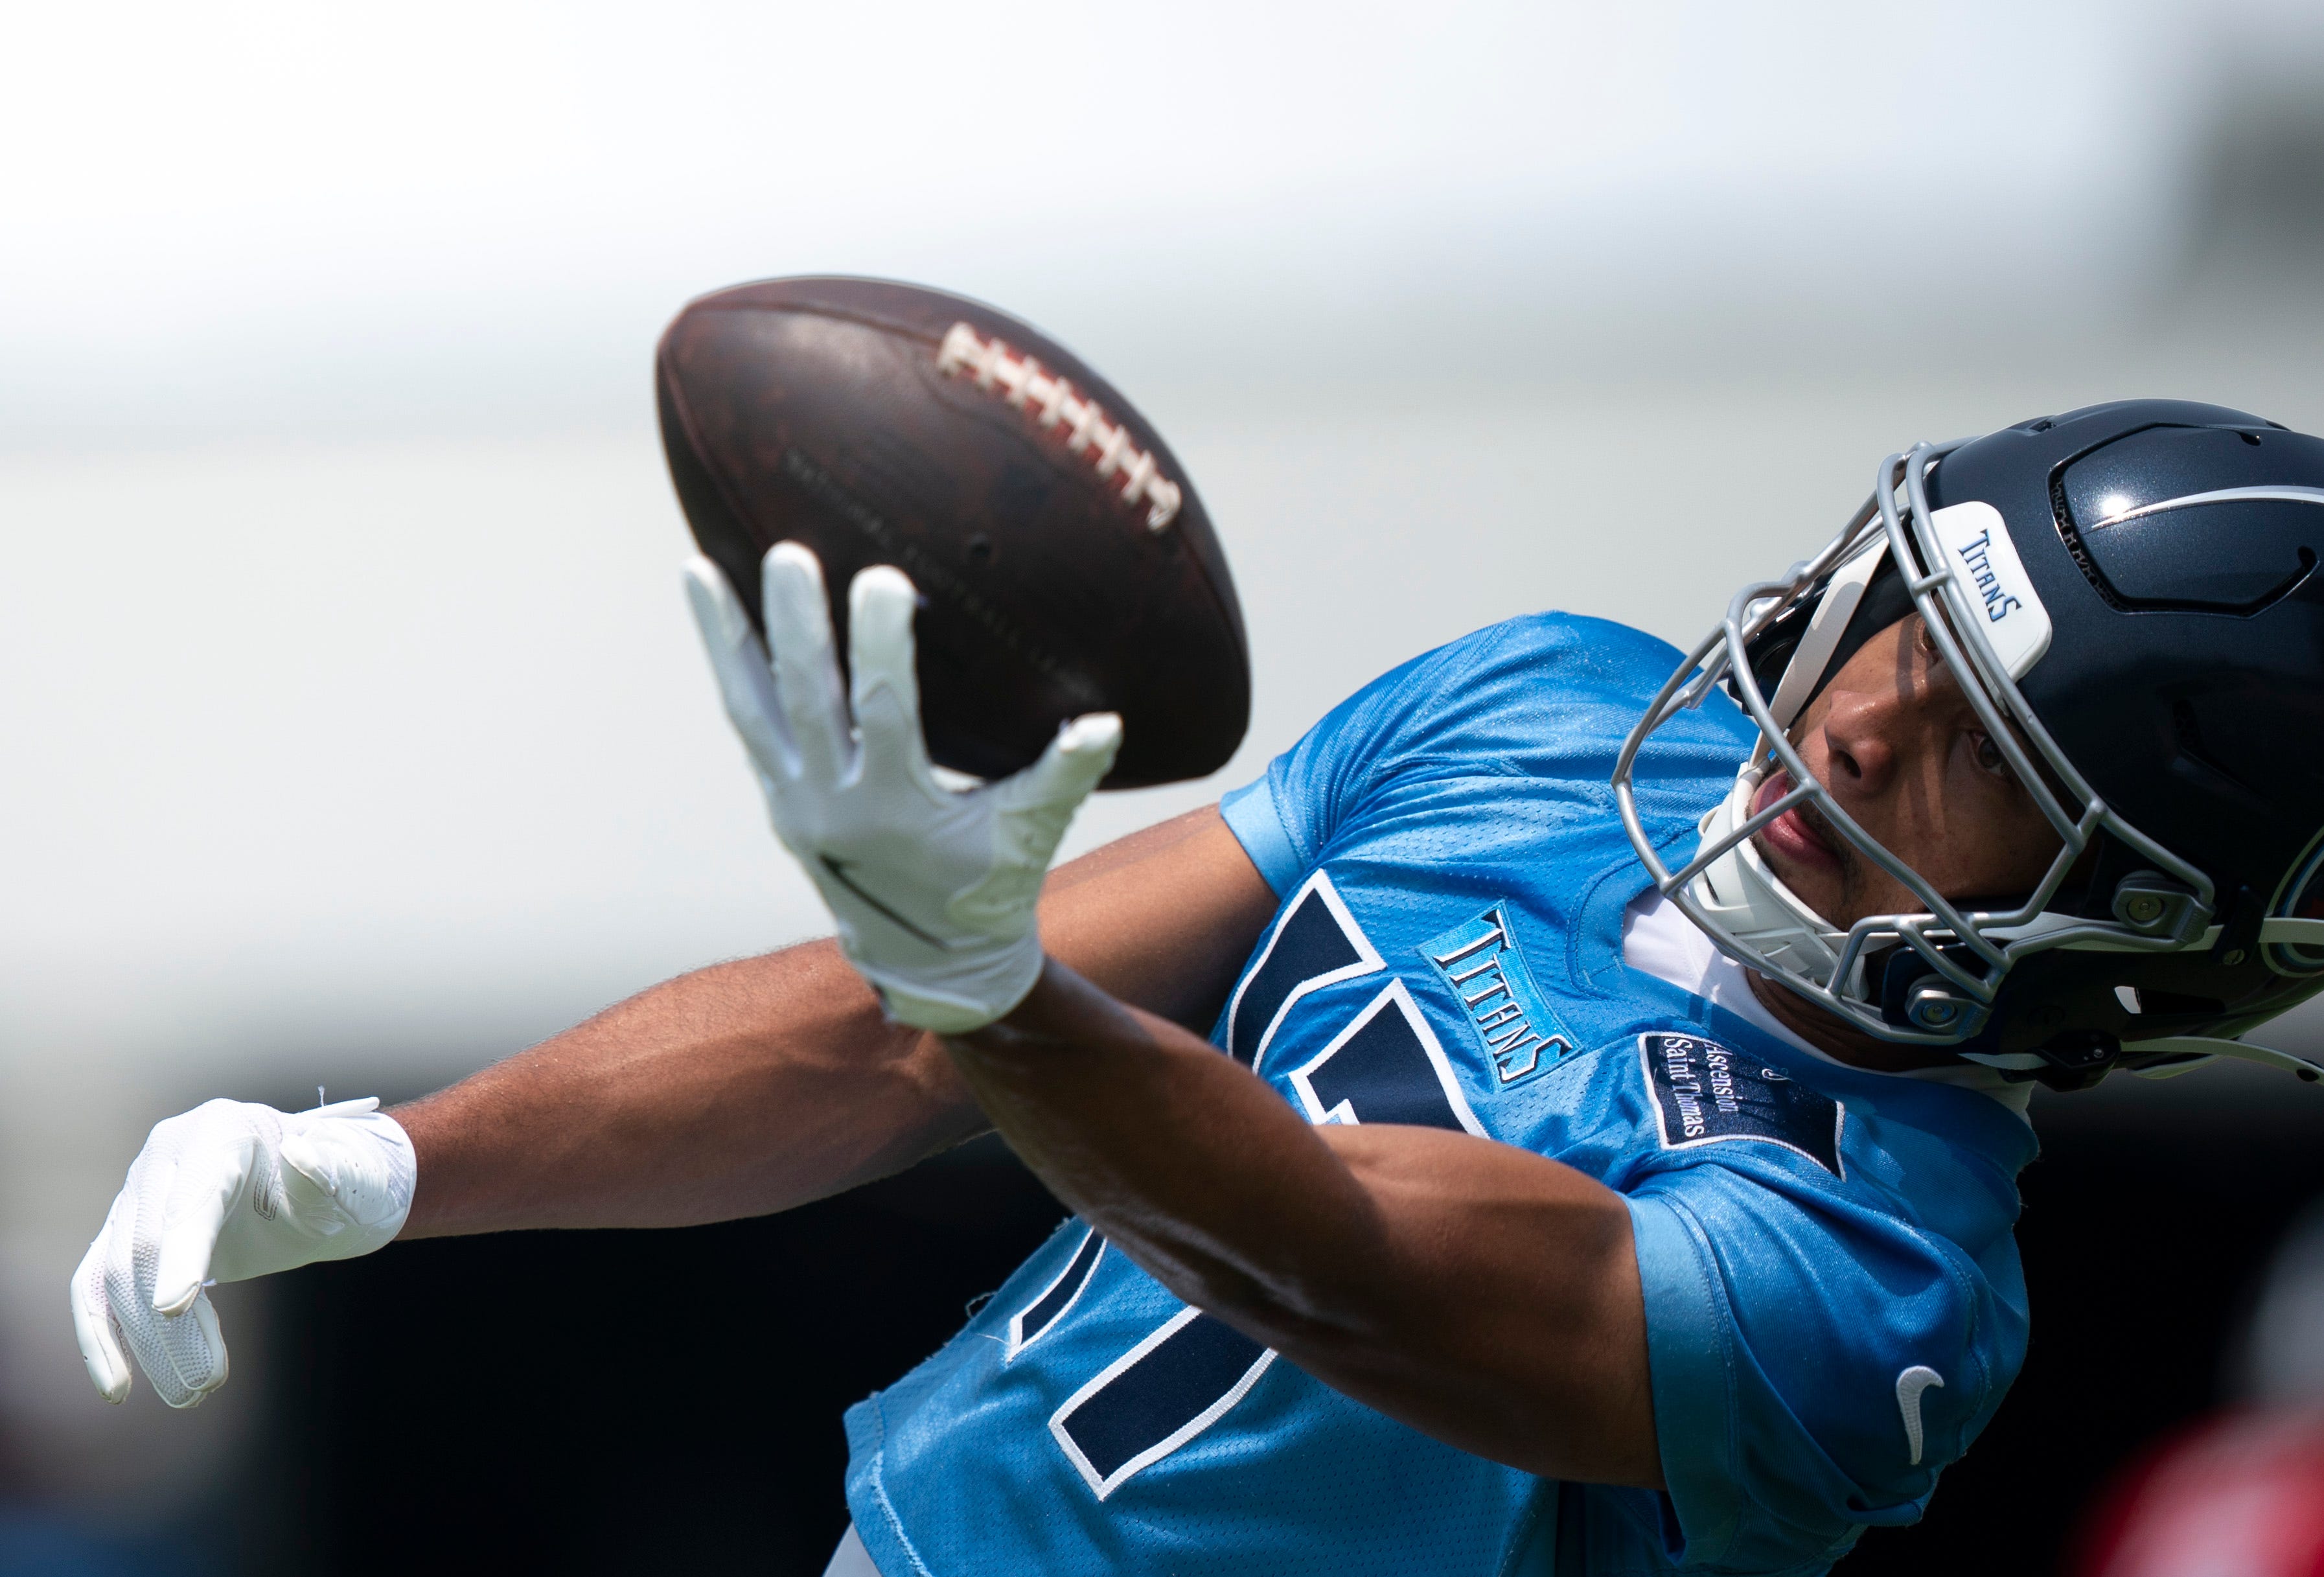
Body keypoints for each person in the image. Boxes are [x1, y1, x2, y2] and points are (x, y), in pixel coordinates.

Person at [71, 399, 2324, 1574]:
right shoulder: (1536, 708)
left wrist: (986, 988)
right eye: (1903, 627)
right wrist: (375, 1160)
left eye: (1977, 762)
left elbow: (1334, 1258)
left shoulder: (1886, 1265)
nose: (1854, 722)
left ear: (2141, 930)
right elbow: (897, 1030)